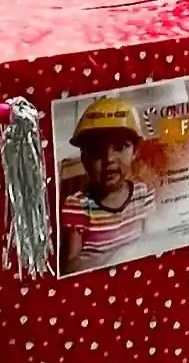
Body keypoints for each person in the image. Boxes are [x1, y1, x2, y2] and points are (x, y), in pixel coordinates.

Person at [60, 96, 156, 274]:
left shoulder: (144, 194)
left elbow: (153, 240)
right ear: (84, 159)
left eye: (120, 147)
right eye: (97, 150)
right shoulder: (78, 205)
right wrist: (117, 258)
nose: (109, 158)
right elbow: (69, 267)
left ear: (135, 151)